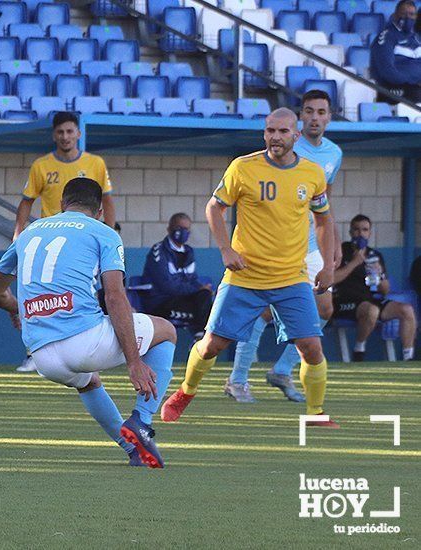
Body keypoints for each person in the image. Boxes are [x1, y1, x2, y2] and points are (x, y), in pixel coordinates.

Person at [160, 108, 340, 428]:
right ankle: (185, 392)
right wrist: (226, 249)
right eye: (270, 131)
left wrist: (327, 265)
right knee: (213, 344)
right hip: (245, 275)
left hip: (291, 277)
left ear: (296, 136)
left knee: (311, 346)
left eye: (283, 132)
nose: (276, 137)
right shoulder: (243, 167)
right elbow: (215, 206)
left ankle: (316, 413)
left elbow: (323, 218)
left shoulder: (312, 174)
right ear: (265, 133)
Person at [0, 177, 177, 469]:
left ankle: (133, 450)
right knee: (166, 331)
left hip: (42, 357)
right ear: (100, 211)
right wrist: (134, 361)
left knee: (90, 382)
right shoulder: (104, 233)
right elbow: (114, 297)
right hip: (84, 342)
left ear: (62, 204)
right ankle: (142, 420)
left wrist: (23, 310)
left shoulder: (28, 232)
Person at [228, 90, 343, 403]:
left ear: (330, 117)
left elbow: (324, 206)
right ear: (299, 118)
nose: (315, 118)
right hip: (275, 248)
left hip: (311, 246)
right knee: (264, 310)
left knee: (325, 307)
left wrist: (334, 244)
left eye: (321, 112)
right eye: (309, 111)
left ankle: (282, 368)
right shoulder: (284, 144)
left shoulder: (333, 153)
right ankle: (237, 379)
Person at [12, 111, 118, 372]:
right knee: (38, 295)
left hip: (83, 242)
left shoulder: (96, 164)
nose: (65, 136)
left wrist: (111, 231)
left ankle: (83, 346)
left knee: (82, 292)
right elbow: (26, 201)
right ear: (54, 135)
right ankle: (34, 352)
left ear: (78, 133)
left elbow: (107, 199)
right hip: (49, 242)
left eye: (70, 131)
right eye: (60, 132)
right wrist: (18, 235)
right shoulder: (42, 166)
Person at [332, 215, 416, 361]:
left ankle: (408, 357)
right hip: (344, 301)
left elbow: (385, 291)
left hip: (369, 300)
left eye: (365, 230)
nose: (361, 234)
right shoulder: (341, 251)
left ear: (370, 233)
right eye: (357, 230)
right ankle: (359, 350)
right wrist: (353, 263)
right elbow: (331, 279)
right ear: (351, 232)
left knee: (406, 310)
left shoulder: (374, 255)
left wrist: (380, 275)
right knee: (372, 310)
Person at [141, 213, 213, 341]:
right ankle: (200, 339)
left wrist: (201, 289)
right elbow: (167, 286)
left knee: (206, 298)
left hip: (181, 301)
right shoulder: (159, 251)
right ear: (169, 229)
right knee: (204, 310)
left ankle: (200, 338)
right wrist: (197, 289)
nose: (183, 232)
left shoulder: (188, 252)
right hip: (161, 303)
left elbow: (192, 280)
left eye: (187, 229)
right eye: (179, 228)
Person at [370, 0, 421, 102]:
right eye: (403, 14)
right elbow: (387, 71)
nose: (408, 18)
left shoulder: (416, 38)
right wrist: (412, 82)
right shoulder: (386, 37)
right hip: (393, 89)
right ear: (395, 15)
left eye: (411, 14)